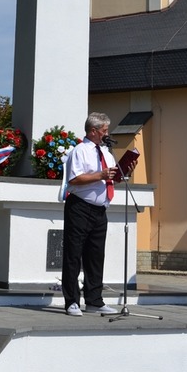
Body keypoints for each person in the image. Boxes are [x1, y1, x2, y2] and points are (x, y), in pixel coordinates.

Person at [60, 112, 119, 316]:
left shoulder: (106, 153)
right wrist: (100, 175)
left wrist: (122, 170)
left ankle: (94, 300)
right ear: (93, 131)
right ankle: (71, 302)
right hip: (80, 208)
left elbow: (110, 178)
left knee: (95, 256)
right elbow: (74, 180)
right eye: (104, 130)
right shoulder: (80, 151)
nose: (107, 134)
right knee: (73, 255)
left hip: (100, 210)